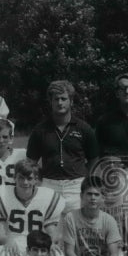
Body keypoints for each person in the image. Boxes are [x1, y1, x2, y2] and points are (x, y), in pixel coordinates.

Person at [25, 80, 100, 215]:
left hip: (76, 185)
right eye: (56, 99)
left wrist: (84, 178)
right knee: (50, 230)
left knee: (78, 227)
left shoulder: (84, 128)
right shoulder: (40, 130)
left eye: (63, 99)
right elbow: (31, 162)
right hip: (49, 185)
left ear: (71, 101)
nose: (60, 103)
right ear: (51, 102)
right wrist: (41, 179)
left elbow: (94, 158)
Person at [0, 159, 64, 256]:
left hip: (38, 244)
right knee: (3, 254)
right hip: (13, 242)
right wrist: (7, 241)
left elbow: (51, 230)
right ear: (14, 178)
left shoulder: (47, 197)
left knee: (57, 255)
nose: (25, 182)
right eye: (21, 178)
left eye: (29, 178)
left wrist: (50, 243)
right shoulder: (3, 194)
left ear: (36, 179)